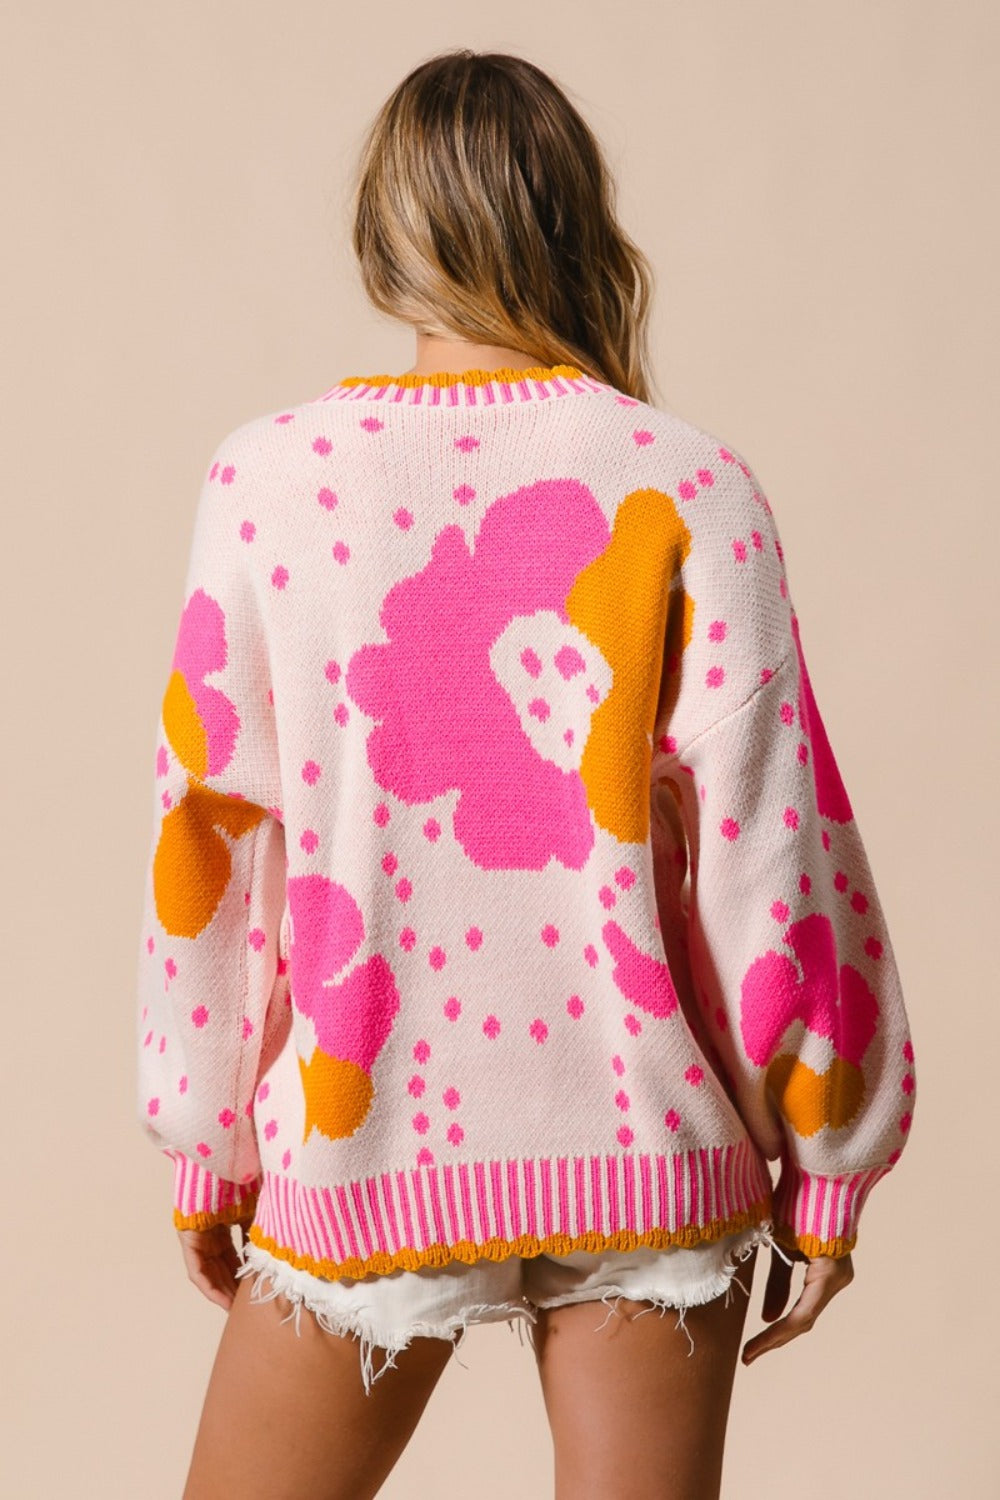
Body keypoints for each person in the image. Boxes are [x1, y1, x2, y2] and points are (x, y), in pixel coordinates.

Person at [135, 48, 917, 1500]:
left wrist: (210, 1139)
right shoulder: (689, 482)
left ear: (384, 235)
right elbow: (773, 847)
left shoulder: (268, 483)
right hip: (647, 1141)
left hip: (366, 1137)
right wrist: (829, 1159)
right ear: (577, 219)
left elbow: (211, 834)